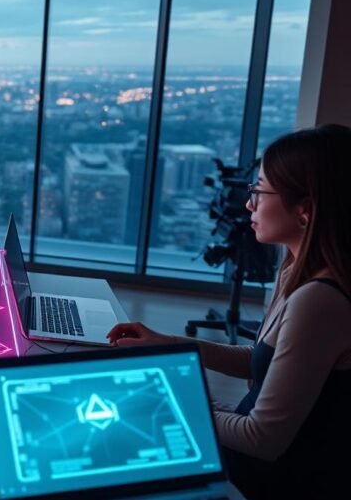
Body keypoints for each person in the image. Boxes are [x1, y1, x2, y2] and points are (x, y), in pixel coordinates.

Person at [108, 124, 351, 498]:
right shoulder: (295, 271)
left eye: (260, 190)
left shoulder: (320, 300)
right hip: (245, 452)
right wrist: (167, 344)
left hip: (264, 480)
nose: (249, 203)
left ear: (304, 210)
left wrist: (175, 403)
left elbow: (263, 438)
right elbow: (261, 359)